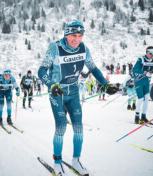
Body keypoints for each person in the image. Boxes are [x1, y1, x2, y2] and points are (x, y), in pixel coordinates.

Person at [38, 19, 118, 176]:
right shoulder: (55, 47)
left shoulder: (84, 49)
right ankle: (57, 162)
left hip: (74, 92)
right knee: (61, 126)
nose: (77, 39)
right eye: (74, 35)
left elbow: (93, 68)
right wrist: (51, 85)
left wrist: (105, 84)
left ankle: (76, 160)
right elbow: (41, 71)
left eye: (80, 35)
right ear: (67, 34)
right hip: (58, 92)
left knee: (78, 128)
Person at [132, 46, 153, 124]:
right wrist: (144, 72)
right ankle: (136, 117)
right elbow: (134, 69)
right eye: (151, 53)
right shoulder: (141, 59)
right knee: (140, 99)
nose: (152, 55)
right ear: (147, 52)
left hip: (146, 82)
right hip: (139, 81)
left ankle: (143, 116)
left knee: (146, 99)